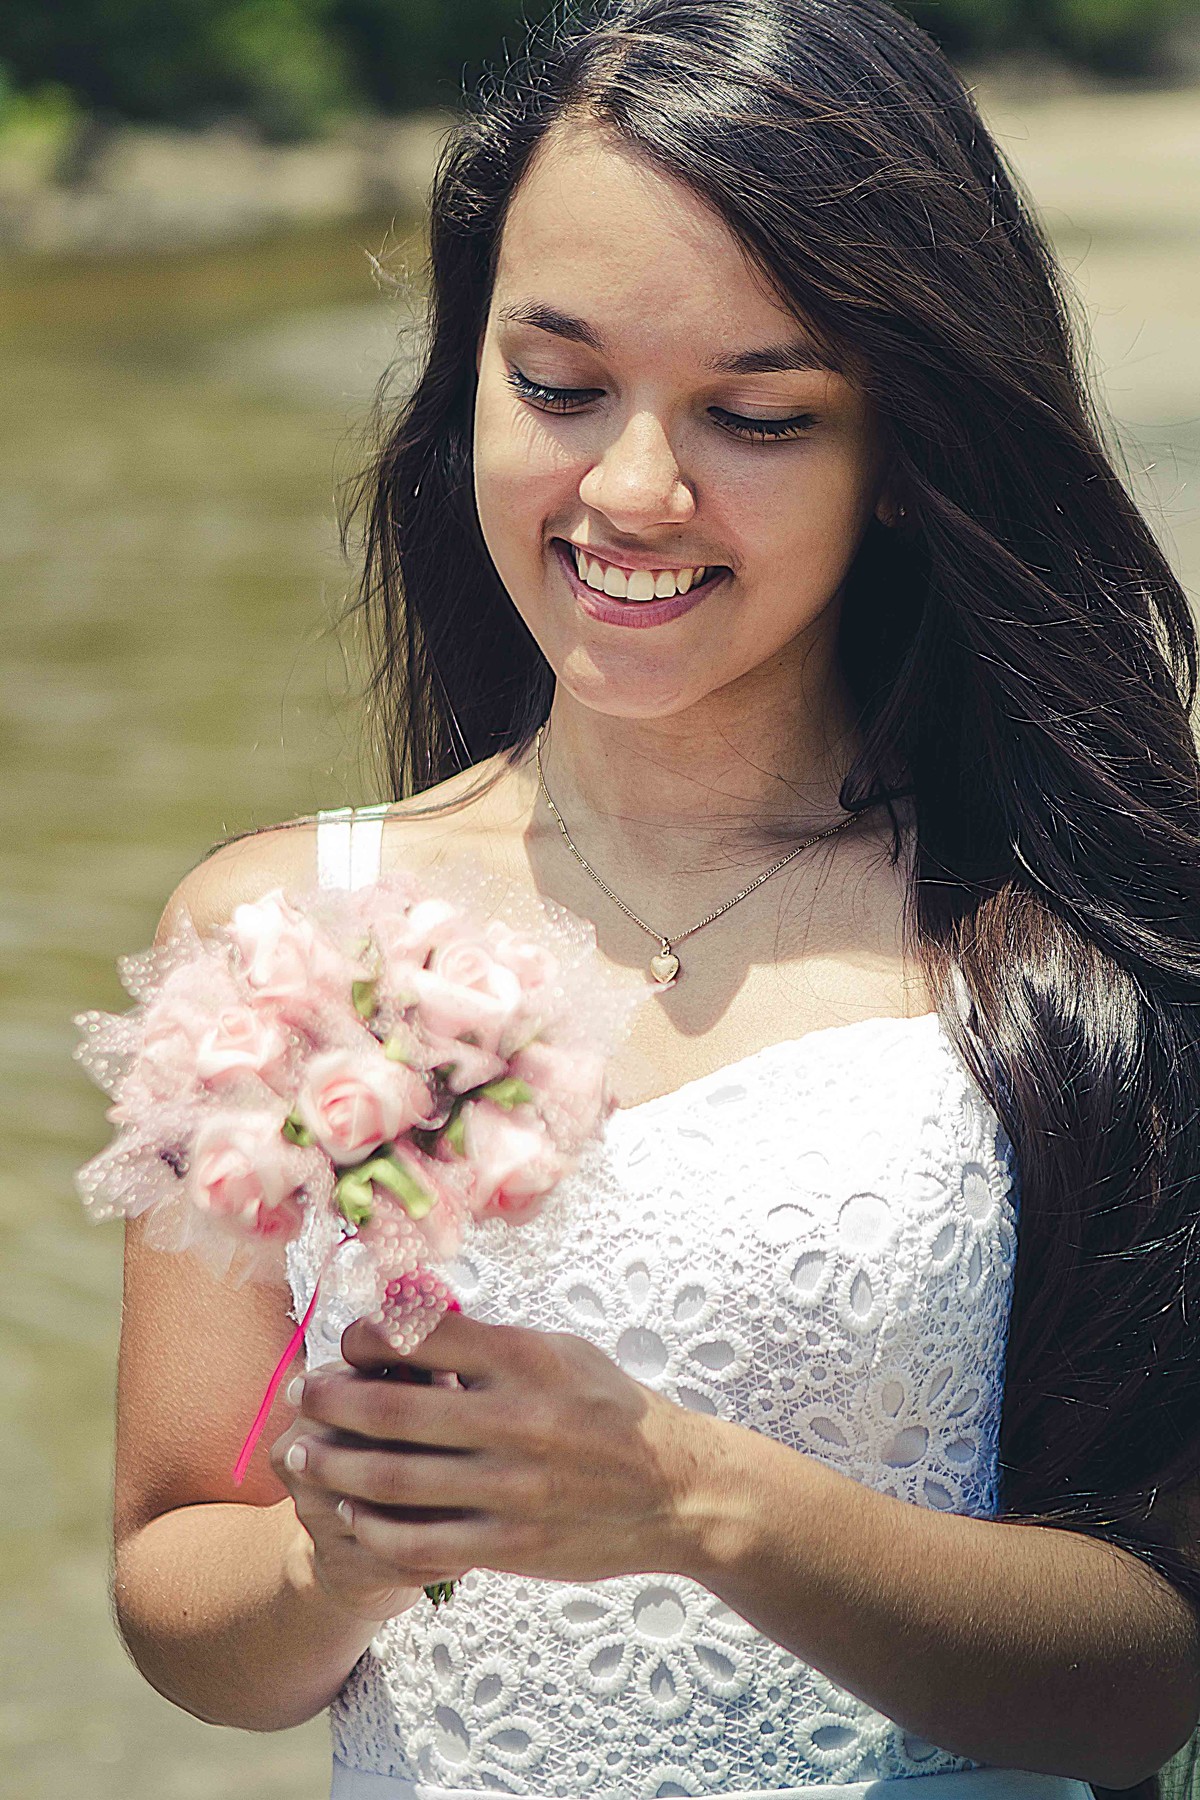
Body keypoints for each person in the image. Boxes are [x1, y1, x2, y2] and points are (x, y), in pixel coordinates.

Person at [108, 1, 1200, 1796]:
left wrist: (691, 1495)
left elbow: (1143, 1675)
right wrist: (341, 1555)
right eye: (557, 385)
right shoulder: (281, 930)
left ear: (906, 454)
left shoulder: (1066, 948)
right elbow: (178, 1600)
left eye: (757, 413)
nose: (630, 490)